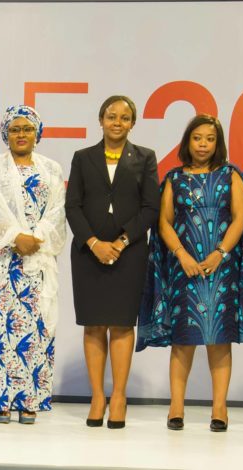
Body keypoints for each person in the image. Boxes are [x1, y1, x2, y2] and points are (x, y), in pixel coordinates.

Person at [136, 114, 243, 432]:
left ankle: (220, 409)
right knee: (182, 340)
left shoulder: (231, 175)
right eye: (197, 138)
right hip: (184, 268)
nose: (203, 144)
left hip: (222, 268)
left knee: (219, 340)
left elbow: (241, 218)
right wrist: (181, 255)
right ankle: (176, 407)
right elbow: (164, 222)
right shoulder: (174, 178)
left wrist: (220, 253)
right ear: (187, 141)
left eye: (210, 139)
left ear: (218, 143)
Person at [65, 95, 160, 428]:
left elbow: (151, 208)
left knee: (121, 324)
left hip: (129, 252)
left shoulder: (145, 157)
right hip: (88, 252)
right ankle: (97, 396)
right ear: (100, 120)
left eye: (124, 117)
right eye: (111, 116)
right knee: (93, 325)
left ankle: (118, 397)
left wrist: (119, 243)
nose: (117, 122)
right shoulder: (82, 157)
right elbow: (72, 206)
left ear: (132, 123)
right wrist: (94, 243)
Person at [0, 105, 66, 424]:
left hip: (37, 258)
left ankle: (30, 400)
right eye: (15, 129)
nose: (21, 134)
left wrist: (35, 237)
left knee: (34, 330)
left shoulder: (51, 169)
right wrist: (15, 237)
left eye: (27, 129)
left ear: (37, 133)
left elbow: (57, 211)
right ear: (5, 134)